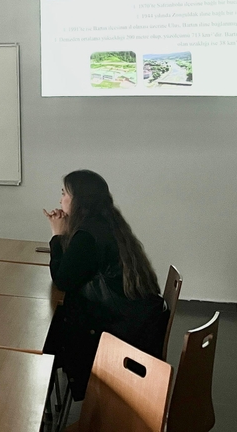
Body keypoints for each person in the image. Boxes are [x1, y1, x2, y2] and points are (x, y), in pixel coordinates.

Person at [42, 169, 167, 400]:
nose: (60, 200)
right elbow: (76, 267)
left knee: (49, 335)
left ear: (79, 200)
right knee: (57, 325)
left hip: (117, 329)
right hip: (136, 320)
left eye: (64, 194)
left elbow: (63, 280)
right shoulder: (104, 222)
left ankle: (39, 402)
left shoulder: (87, 235)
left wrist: (57, 236)